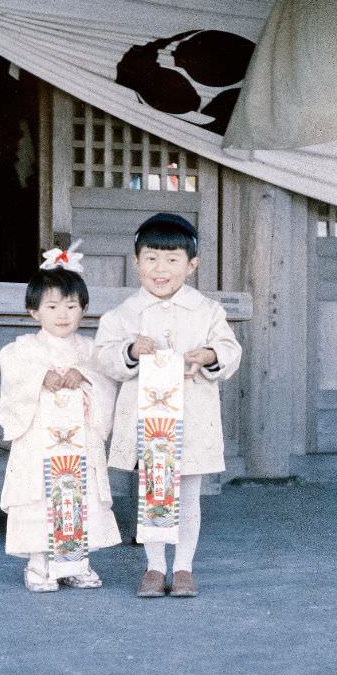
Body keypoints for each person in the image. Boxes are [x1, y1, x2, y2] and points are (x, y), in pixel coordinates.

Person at [95, 213, 242, 598]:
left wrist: (210, 353)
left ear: (191, 265)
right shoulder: (123, 314)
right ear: (137, 261)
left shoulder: (207, 311)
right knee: (153, 490)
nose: (161, 269)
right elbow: (104, 356)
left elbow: (230, 350)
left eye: (173, 259)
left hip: (191, 417)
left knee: (189, 493)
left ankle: (184, 566)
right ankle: (155, 566)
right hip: (147, 420)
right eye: (152, 259)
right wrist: (129, 350)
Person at [0, 248, 121, 593]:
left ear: (83, 308)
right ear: (33, 310)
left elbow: (105, 377)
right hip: (40, 441)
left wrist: (83, 375)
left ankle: (76, 564)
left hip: (80, 440)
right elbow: (15, 376)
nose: (62, 315)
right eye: (52, 307)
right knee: (40, 496)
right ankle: (40, 565)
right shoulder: (22, 350)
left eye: (71, 306)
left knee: (79, 492)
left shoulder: (91, 350)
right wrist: (41, 377)